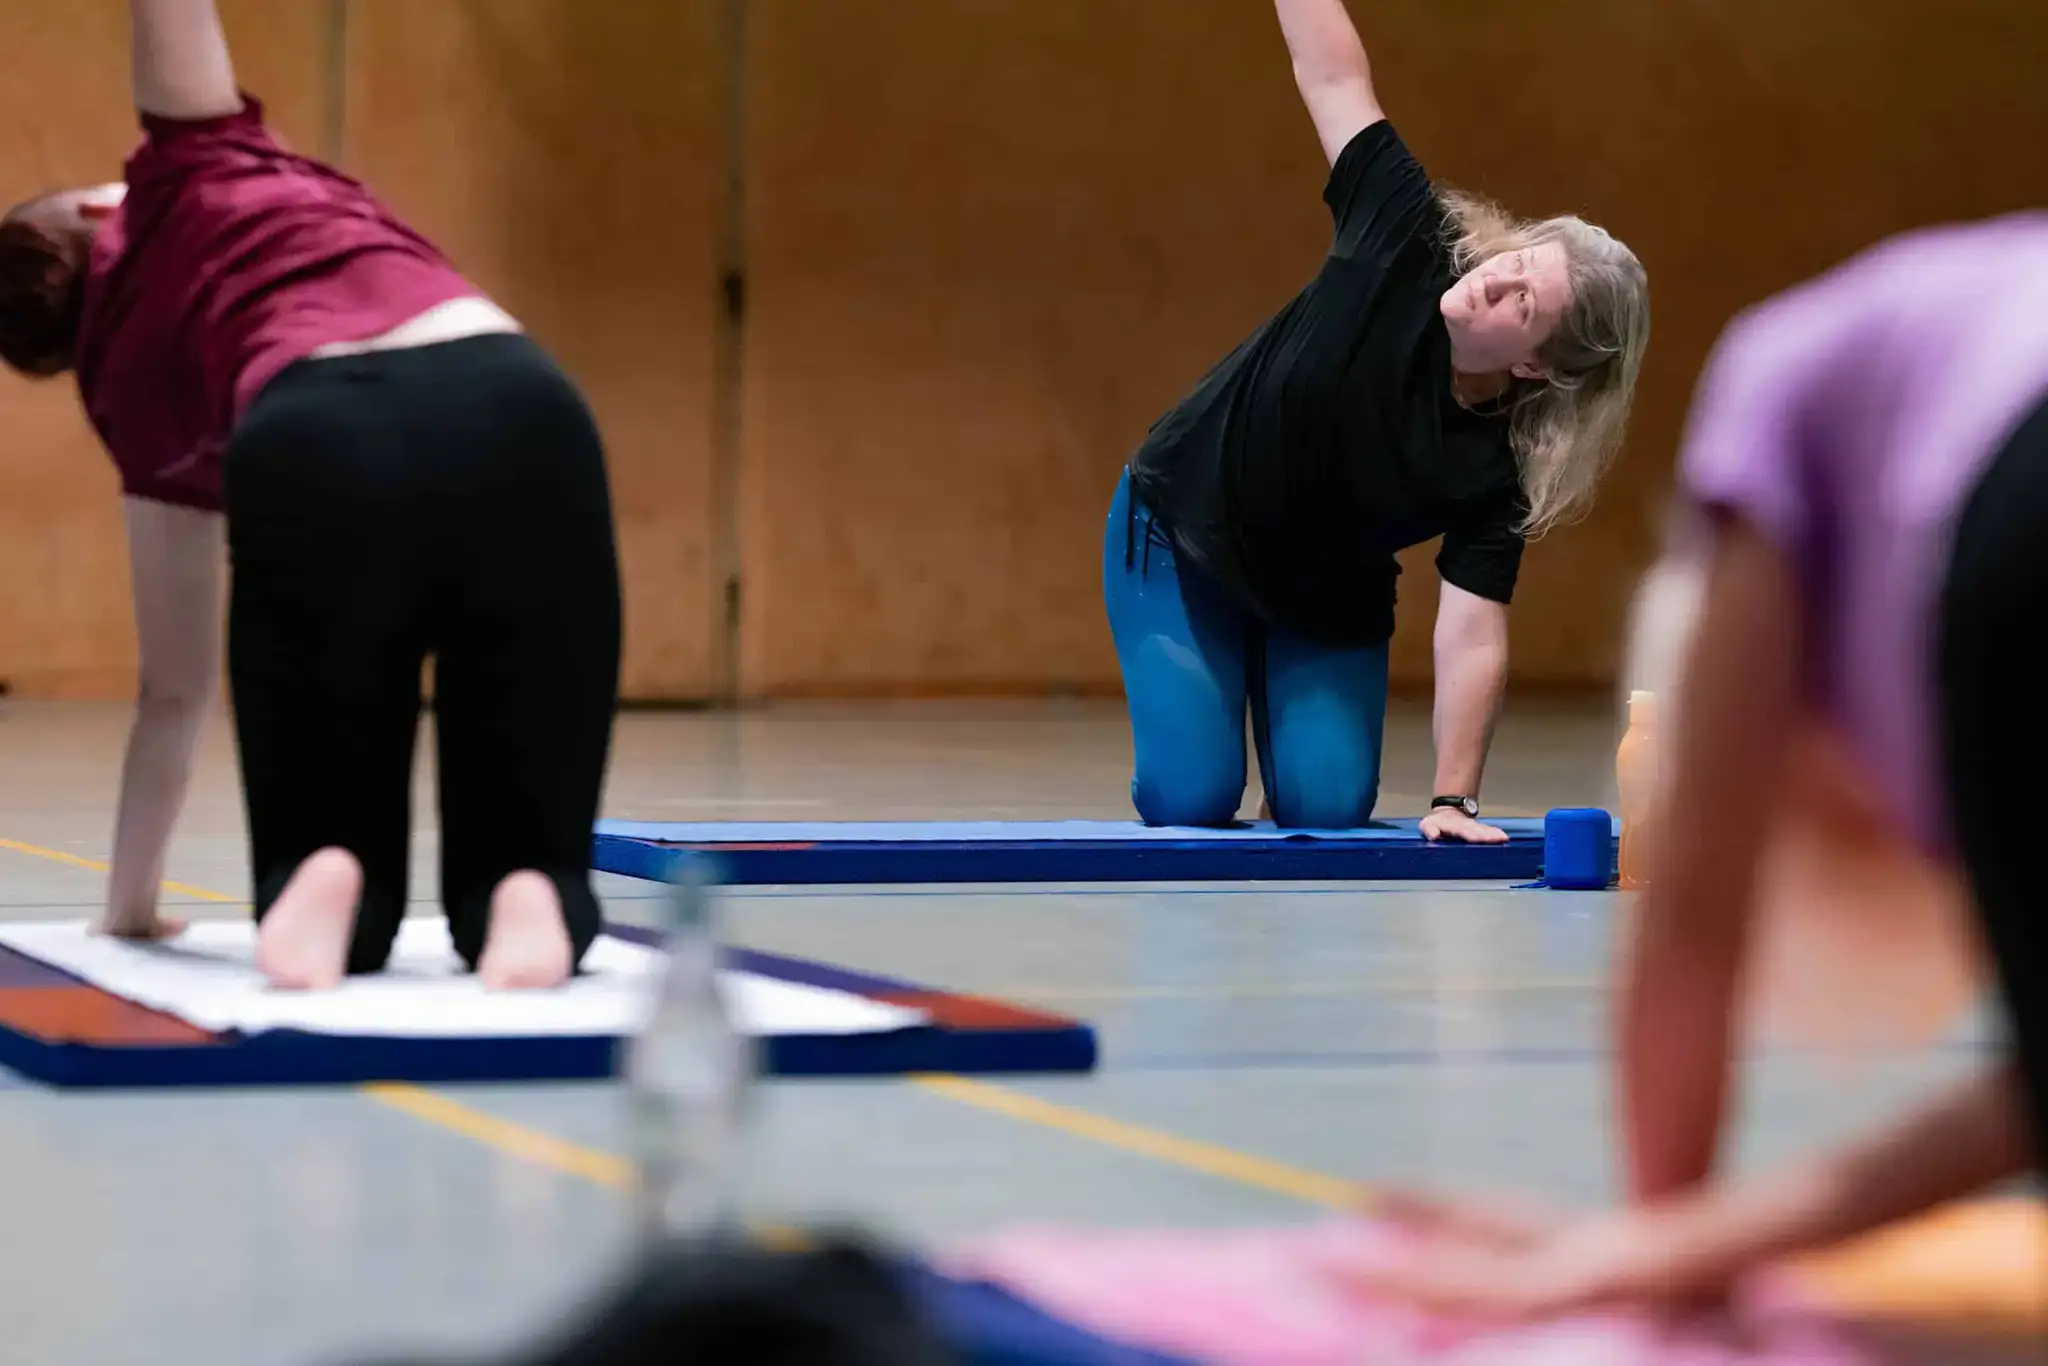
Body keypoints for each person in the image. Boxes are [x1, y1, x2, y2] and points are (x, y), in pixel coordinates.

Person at [1347, 213, 2048, 1320]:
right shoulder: (1857, 368)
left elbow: (1690, 921)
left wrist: (1655, 1239)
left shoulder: (1787, 367)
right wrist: (1678, 1242)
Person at [0, 0, 621, 991]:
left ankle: (322, 880)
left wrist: (128, 907)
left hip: (312, 432)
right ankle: (528, 889)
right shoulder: (192, 163)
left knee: (321, 769)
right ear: (92, 208)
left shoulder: (128, 396)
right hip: (516, 400)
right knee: (528, 737)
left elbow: (173, 693)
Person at [1105, 0, 1648, 838]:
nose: (1494, 280)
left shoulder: (1498, 466)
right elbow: (1332, 75)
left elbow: (1473, 631)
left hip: (1325, 591)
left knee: (1326, 810)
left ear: (1535, 364)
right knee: (1190, 802)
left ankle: (1276, 704)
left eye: (1523, 300)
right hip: (1182, 534)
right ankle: (1211, 706)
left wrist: (1452, 799)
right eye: (1518, 260)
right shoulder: (1404, 231)